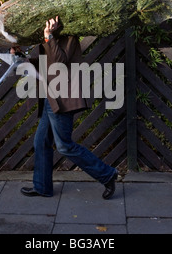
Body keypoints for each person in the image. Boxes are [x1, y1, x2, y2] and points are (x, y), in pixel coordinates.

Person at [18, 16, 118, 200]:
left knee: (64, 145)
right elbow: (43, 63)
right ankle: (42, 187)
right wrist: (19, 55)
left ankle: (107, 174)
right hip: (51, 96)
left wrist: (49, 36)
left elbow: (59, 62)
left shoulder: (69, 36)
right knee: (41, 141)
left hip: (63, 96)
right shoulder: (51, 36)